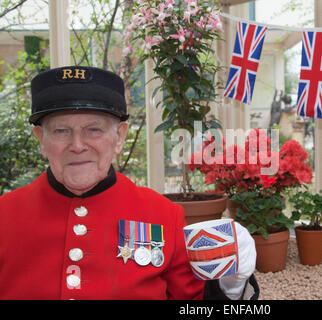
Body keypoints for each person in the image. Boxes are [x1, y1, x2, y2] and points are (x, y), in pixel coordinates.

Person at [0, 66, 258, 300]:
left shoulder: (164, 215)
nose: (77, 146)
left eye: (94, 129)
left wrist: (229, 289)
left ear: (120, 137)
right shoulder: (5, 214)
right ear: (41, 140)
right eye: (60, 131)